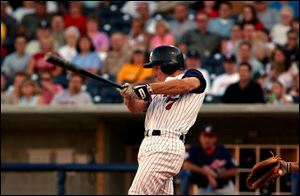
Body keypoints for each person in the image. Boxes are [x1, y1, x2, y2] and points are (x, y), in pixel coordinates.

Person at [119, 45, 207, 195]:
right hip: (149, 144)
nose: (153, 71)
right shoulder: (159, 88)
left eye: (156, 67)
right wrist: (128, 96)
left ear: (169, 64)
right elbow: (136, 108)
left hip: (167, 143)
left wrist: (148, 88)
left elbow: (185, 86)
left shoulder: (191, 75)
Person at [182, 125, 237, 195]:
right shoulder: (195, 149)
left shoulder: (222, 150)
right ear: (200, 137)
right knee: (185, 173)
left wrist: (216, 175)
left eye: (210, 136)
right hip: (204, 189)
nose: (207, 139)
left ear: (215, 138)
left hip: (224, 188)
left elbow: (234, 170)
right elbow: (186, 165)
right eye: (205, 136)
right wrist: (207, 173)